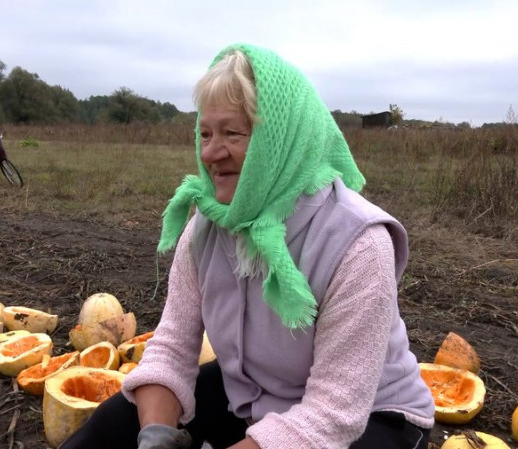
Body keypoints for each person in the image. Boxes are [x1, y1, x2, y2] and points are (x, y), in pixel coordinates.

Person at [60, 43, 435, 449]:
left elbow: (332, 414)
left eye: (232, 134)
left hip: (370, 419)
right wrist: (156, 435)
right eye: (205, 133)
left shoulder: (359, 245)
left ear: (281, 141)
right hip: (253, 394)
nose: (210, 153)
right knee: (109, 427)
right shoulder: (207, 225)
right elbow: (170, 348)